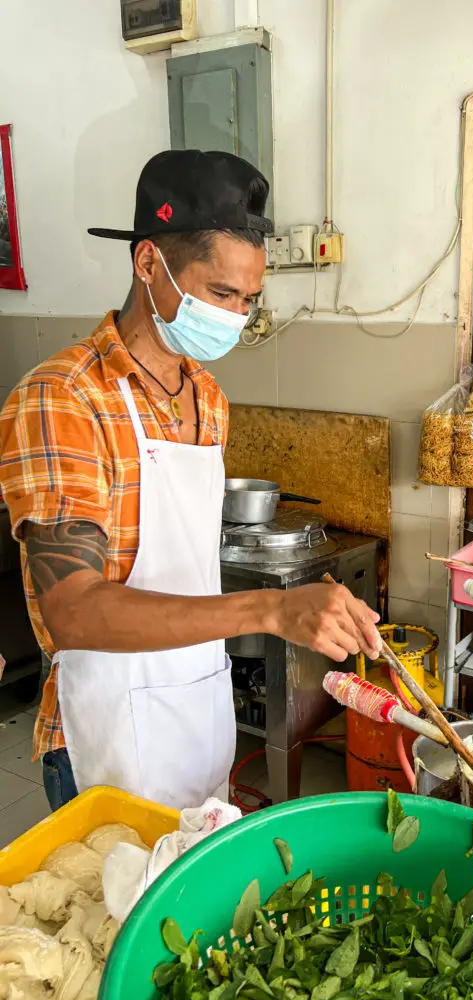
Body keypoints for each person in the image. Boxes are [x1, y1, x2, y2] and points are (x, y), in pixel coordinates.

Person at [0, 150, 381, 813]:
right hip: (108, 732)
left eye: (250, 300)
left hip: (199, 710)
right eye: (221, 293)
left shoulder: (206, 397)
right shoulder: (63, 398)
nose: (236, 318)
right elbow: (73, 611)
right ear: (148, 263)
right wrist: (269, 609)